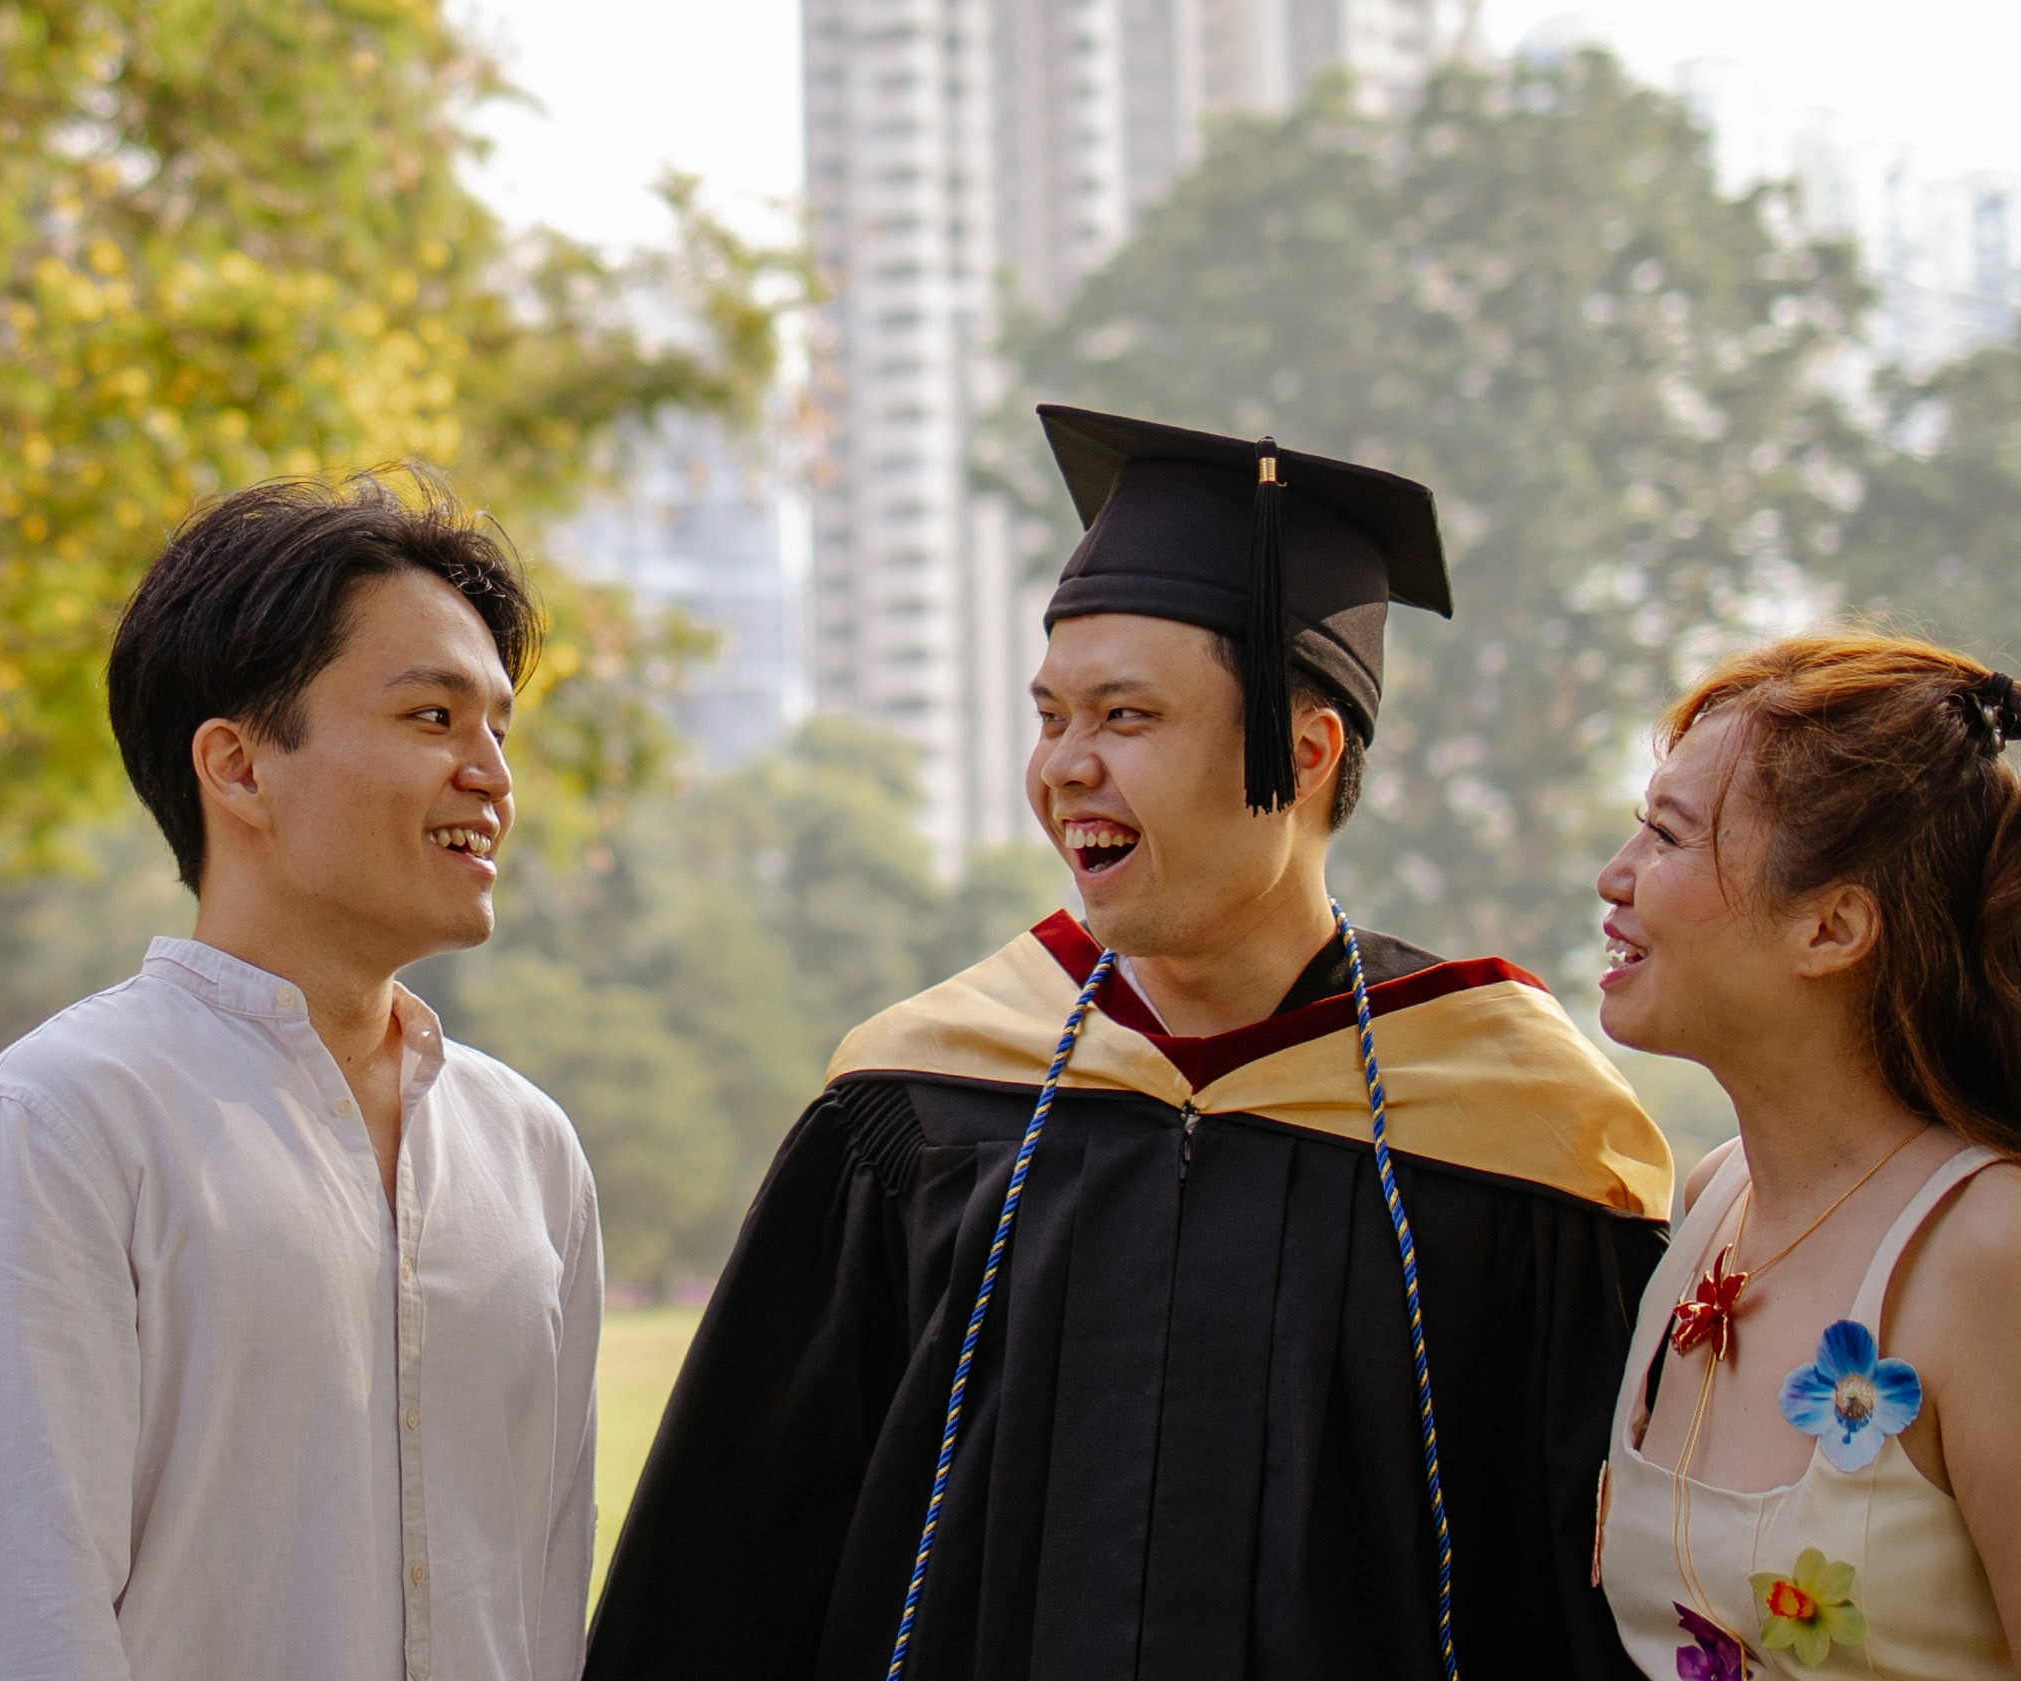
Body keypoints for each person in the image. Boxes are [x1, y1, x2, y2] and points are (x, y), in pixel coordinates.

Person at [588, 409, 1674, 1681]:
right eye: (1051, 717)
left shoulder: (1519, 1141)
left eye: (1125, 718)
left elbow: (1580, 1609)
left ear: (1303, 754)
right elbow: (731, 1570)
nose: (1064, 767)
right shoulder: (923, 1105)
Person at [0, 474, 602, 1681]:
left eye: (496, 728)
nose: (489, 774)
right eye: (431, 718)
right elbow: (15, 1624)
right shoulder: (56, 1128)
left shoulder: (527, 1150)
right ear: (237, 766)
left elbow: (544, 1599)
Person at [1592, 633, 2021, 1681]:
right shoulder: (1713, 1200)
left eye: (1666, 839)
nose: (1614, 878)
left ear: (1831, 927)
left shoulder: (1997, 1250)